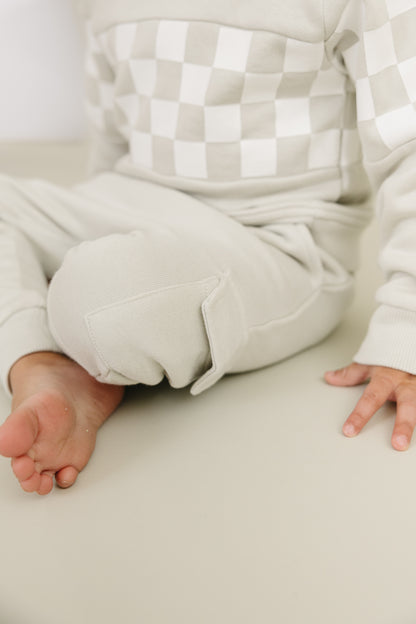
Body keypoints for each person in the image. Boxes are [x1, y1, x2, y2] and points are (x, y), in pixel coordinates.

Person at [1, 0, 416, 496]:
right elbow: (111, 135)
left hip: (276, 240)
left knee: (98, 293)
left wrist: (406, 333)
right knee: (77, 269)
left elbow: (408, 144)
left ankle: (93, 328)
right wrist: (74, 232)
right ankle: (42, 359)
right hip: (134, 199)